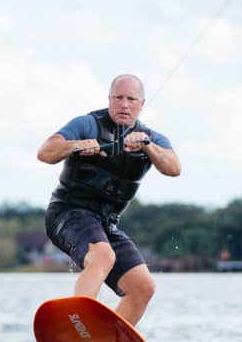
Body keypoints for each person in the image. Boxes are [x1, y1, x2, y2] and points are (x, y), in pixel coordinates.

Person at [37, 74, 181, 326]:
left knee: (143, 286)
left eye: (131, 99)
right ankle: (78, 323)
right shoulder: (86, 124)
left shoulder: (151, 138)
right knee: (103, 256)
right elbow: (45, 152)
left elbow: (173, 168)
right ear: (110, 99)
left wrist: (147, 147)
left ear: (141, 103)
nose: (124, 104)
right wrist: (76, 146)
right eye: (119, 98)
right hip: (67, 213)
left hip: (105, 223)